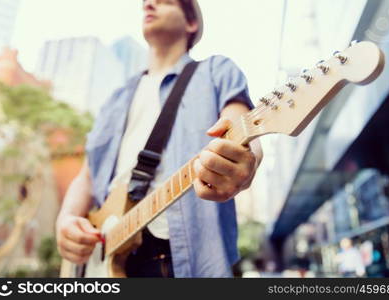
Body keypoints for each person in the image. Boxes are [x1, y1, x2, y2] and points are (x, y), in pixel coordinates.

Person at [56, 0, 263, 278]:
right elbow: (88, 174)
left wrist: (244, 162)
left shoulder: (217, 70)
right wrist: (66, 220)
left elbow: (242, 132)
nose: (150, 4)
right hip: (104, 254)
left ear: (191, 23)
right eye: (147, 2)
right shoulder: (117, 98)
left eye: (164, 1)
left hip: (176, 257)